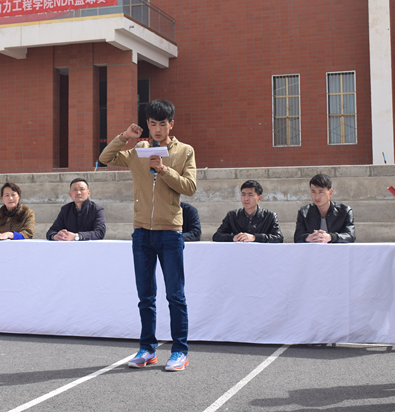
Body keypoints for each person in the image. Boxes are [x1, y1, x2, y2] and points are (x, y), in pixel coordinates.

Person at [99, 99, 196, 372]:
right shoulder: (138, 150)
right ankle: (147, 349)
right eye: (152, 124)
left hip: (170, 233)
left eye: (162, 124)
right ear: (148, 125)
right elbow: (105, 158)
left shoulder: (185, 151)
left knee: (175, 296)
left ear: (171, 124)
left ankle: (179, 350)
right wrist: (125, 137)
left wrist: (164, 170)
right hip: (142, 232)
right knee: (146, 296)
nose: (157, 129)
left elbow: (190, 187)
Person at [212, 180, 283, 243]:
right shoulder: (232, 215)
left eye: (250, 195)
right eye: (243, 194)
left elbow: (279, 238)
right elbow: (217, 236)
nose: (246, 198)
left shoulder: (269, 216)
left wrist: (254, 237)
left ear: (259, 198)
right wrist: (233, 237)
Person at [294, 174, 355, 243]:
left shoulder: (345, 211)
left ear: (330, 193)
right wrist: (309, 237)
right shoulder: (304, 212)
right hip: (313, 249)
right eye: (313, 192)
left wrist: (330, 237)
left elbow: (350, 236)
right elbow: (297, 237)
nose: (316, 197)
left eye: (321, 192)